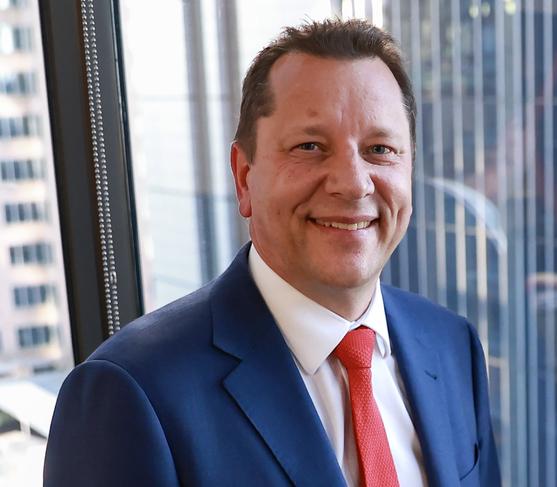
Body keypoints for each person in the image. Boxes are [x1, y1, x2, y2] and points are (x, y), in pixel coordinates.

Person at [44, 19, 501, 487]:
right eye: (310, 146)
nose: (352, 183)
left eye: (380, 149)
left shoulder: (452, 347)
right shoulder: (130, 393)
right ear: (244, 177)